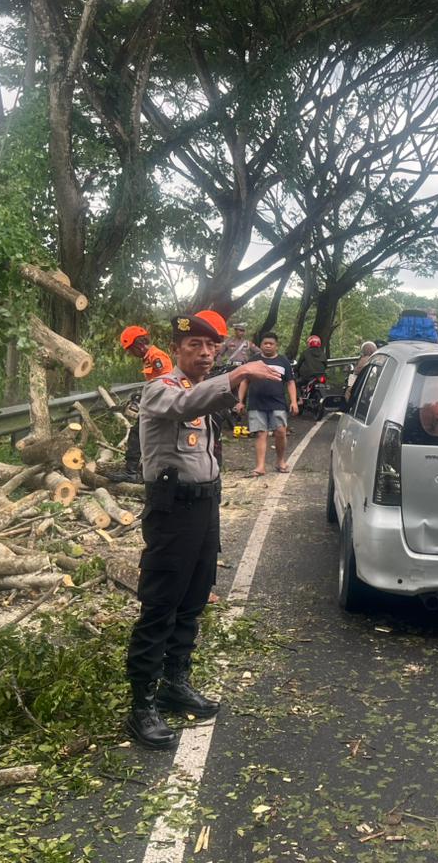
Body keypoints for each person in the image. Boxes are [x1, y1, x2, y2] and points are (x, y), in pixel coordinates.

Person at [124, 312, 287, 750]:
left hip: (203, 507)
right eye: (194, 345)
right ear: (176, 349)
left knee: (194, 598)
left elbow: (209, 409)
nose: (205, 352)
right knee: (160, 604)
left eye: (211, 346)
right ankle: (141, 705)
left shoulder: (201, 391)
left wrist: (234, 383)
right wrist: (238, 373)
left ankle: (175, 683)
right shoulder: (161, 388)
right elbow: (184, 407)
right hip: (172, 510)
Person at [114, 326, 173, 484]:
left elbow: (167, 382)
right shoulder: (148, 358)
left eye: (130, 349)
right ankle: (143, 470)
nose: (130, 353)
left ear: (138, 345)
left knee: (138, 434)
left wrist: (151, 398)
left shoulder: (157, 356)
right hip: (154, 402)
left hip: (161, 404)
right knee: (142, 436)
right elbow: (154, 381)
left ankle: (132, 472)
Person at [235, 332, 298, 475]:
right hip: (256, 402)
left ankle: (280, 461)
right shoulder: (253, 361)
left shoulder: (283, 361)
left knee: (281, 432)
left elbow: (290, 382)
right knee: (260, 433)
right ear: (261, 345)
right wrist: (240, 401)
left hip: (278, 402)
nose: (268, 346)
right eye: (265, 343)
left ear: (277, 346)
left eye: (271, 344)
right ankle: (260, 467)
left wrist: (294, 401)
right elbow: (245, 381)